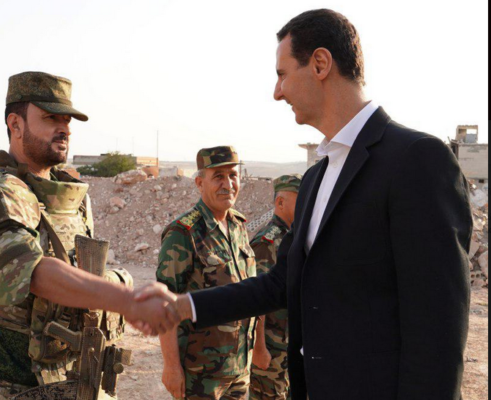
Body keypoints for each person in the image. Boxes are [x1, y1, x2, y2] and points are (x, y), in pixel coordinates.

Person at [142, 9, 472, 400]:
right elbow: (280, 283)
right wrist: (183, 306)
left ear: (319, 64)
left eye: (282, 74)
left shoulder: (415, 159)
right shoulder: (316, 177)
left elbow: (437, 328)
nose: (277, 92)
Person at [0, 71, 178, 400]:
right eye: (50, 118)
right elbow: (32, 272)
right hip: (9, 389)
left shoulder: (70, 196)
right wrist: (127, 300)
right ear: (15, 124)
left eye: (67, 120)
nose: (65, 129)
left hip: (75, 383)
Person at [156, 146, 257, 400]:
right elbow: (164, 305)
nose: (228, 184)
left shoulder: (238, 226)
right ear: (200, 183)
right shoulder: (183, 233)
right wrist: (171, 367)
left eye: (233, 175)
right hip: (200, 376)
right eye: (218, 177)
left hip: (238, 369)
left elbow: (252, 292)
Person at [249, 174, 301, 400]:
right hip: (271, 348)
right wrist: (259, 348)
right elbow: (255, 299)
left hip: (289, 346)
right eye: (301, 199)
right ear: (280, 202)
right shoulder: (267, 242)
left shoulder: (293, 238)